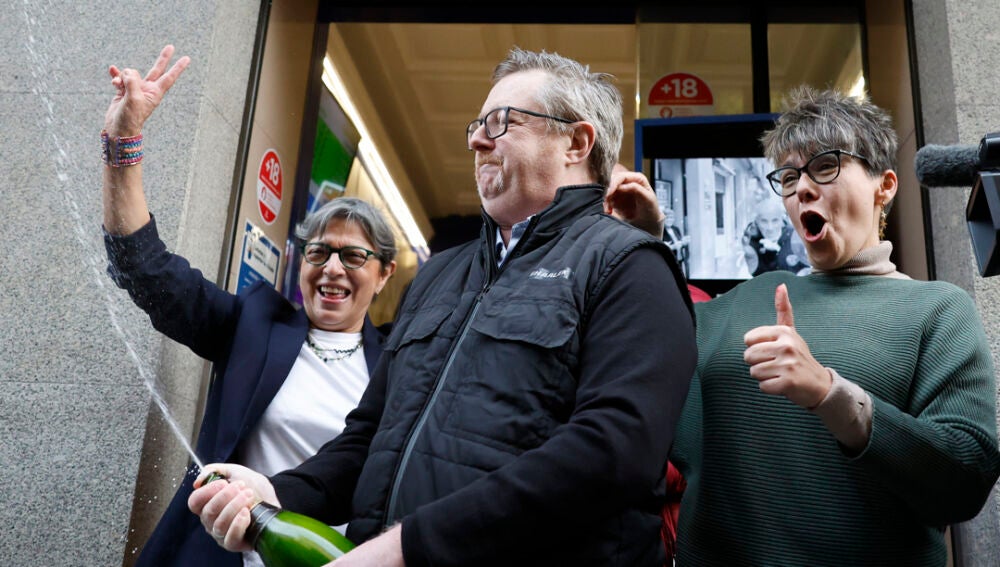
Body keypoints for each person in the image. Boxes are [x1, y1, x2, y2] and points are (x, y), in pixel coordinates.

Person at [190, 46, 697, 567]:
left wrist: (409, 547)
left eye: (502, 122)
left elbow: (614, 453)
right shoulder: (438, 274)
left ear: (576, 141)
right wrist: (279, 494)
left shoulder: (631, 265)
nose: (477, 139)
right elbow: (368, 436)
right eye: (477, 124)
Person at [667, 86, 1000, 565]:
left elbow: (965, 480)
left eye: (825, 166)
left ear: (884, 186)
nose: (801, 187)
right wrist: (643, 250)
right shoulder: (740, 303)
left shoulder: (937, 310)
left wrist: (829, 393)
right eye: (787, 175)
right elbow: (640, 394)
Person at [99, 46, 397, 567]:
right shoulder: (255, 322)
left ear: (384, 272)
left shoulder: (402, 364)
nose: (331, 269)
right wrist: (123, 143)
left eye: (353, 256)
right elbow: (148, 272)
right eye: (318, 251)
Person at [741, 196, 809, 276]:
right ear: (757, 222)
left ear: (782, 219)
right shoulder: (751, 243)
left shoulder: (796, 237)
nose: (770, 227)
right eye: (764, 221)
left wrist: (778, 250)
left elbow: (805, 272)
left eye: (775, 220)